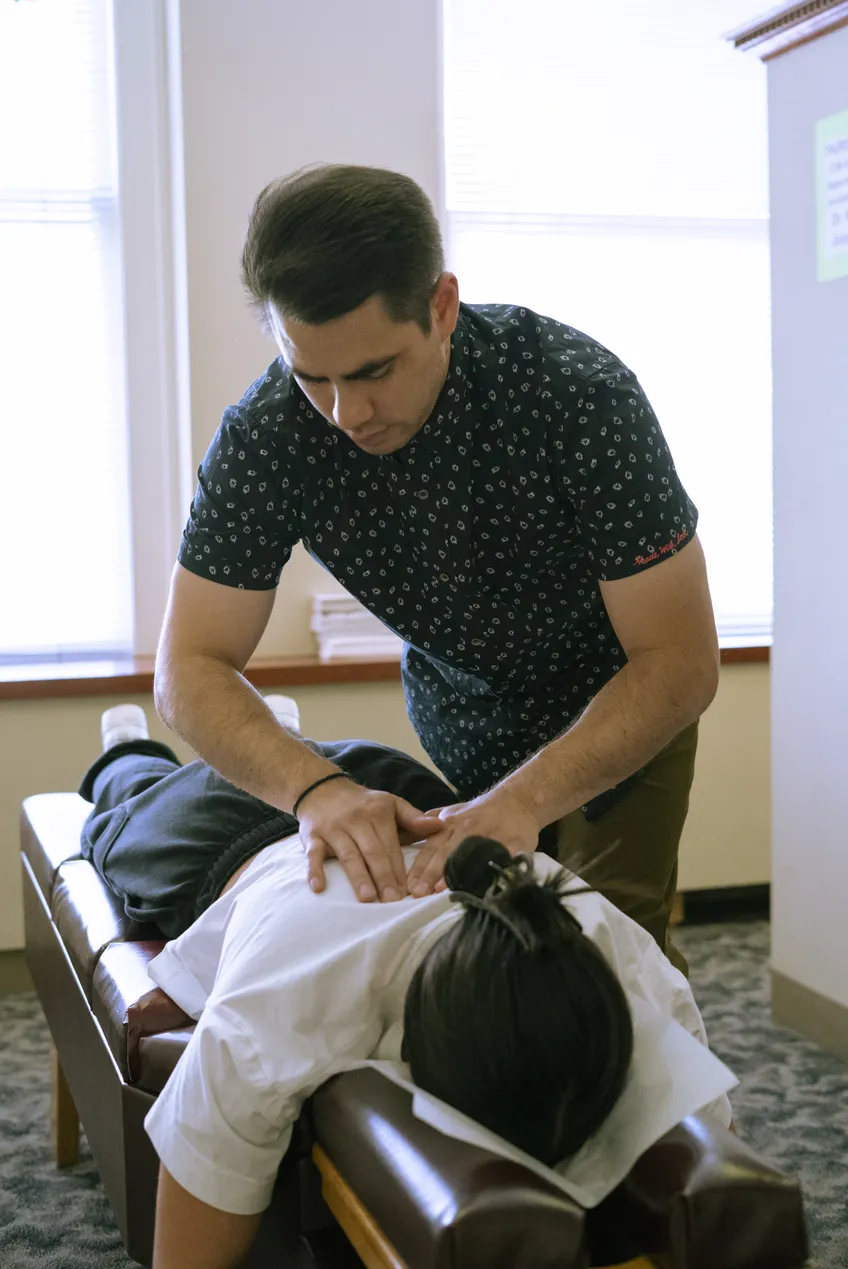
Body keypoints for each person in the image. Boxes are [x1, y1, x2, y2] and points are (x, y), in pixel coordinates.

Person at [155, 163, 720, 972]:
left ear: (442, 307)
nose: (347, 413)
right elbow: (190, 666)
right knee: (478, 962)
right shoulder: (268, 436)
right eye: (312, 376)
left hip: (618, 700)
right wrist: (318, 792)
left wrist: (527, 799)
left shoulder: (576, 397)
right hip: (461, 715)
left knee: (608, 966)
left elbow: (681, 661)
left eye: (373, 371)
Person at [78, 705, 732, 1269]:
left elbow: (706, 1145)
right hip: (235, 827)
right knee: (123, 805)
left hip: (412, 798)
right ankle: (126, 744)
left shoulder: (618, 959)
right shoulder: (281, 1012)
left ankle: (278, 727)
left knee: (277, 776)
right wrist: (187, 982)